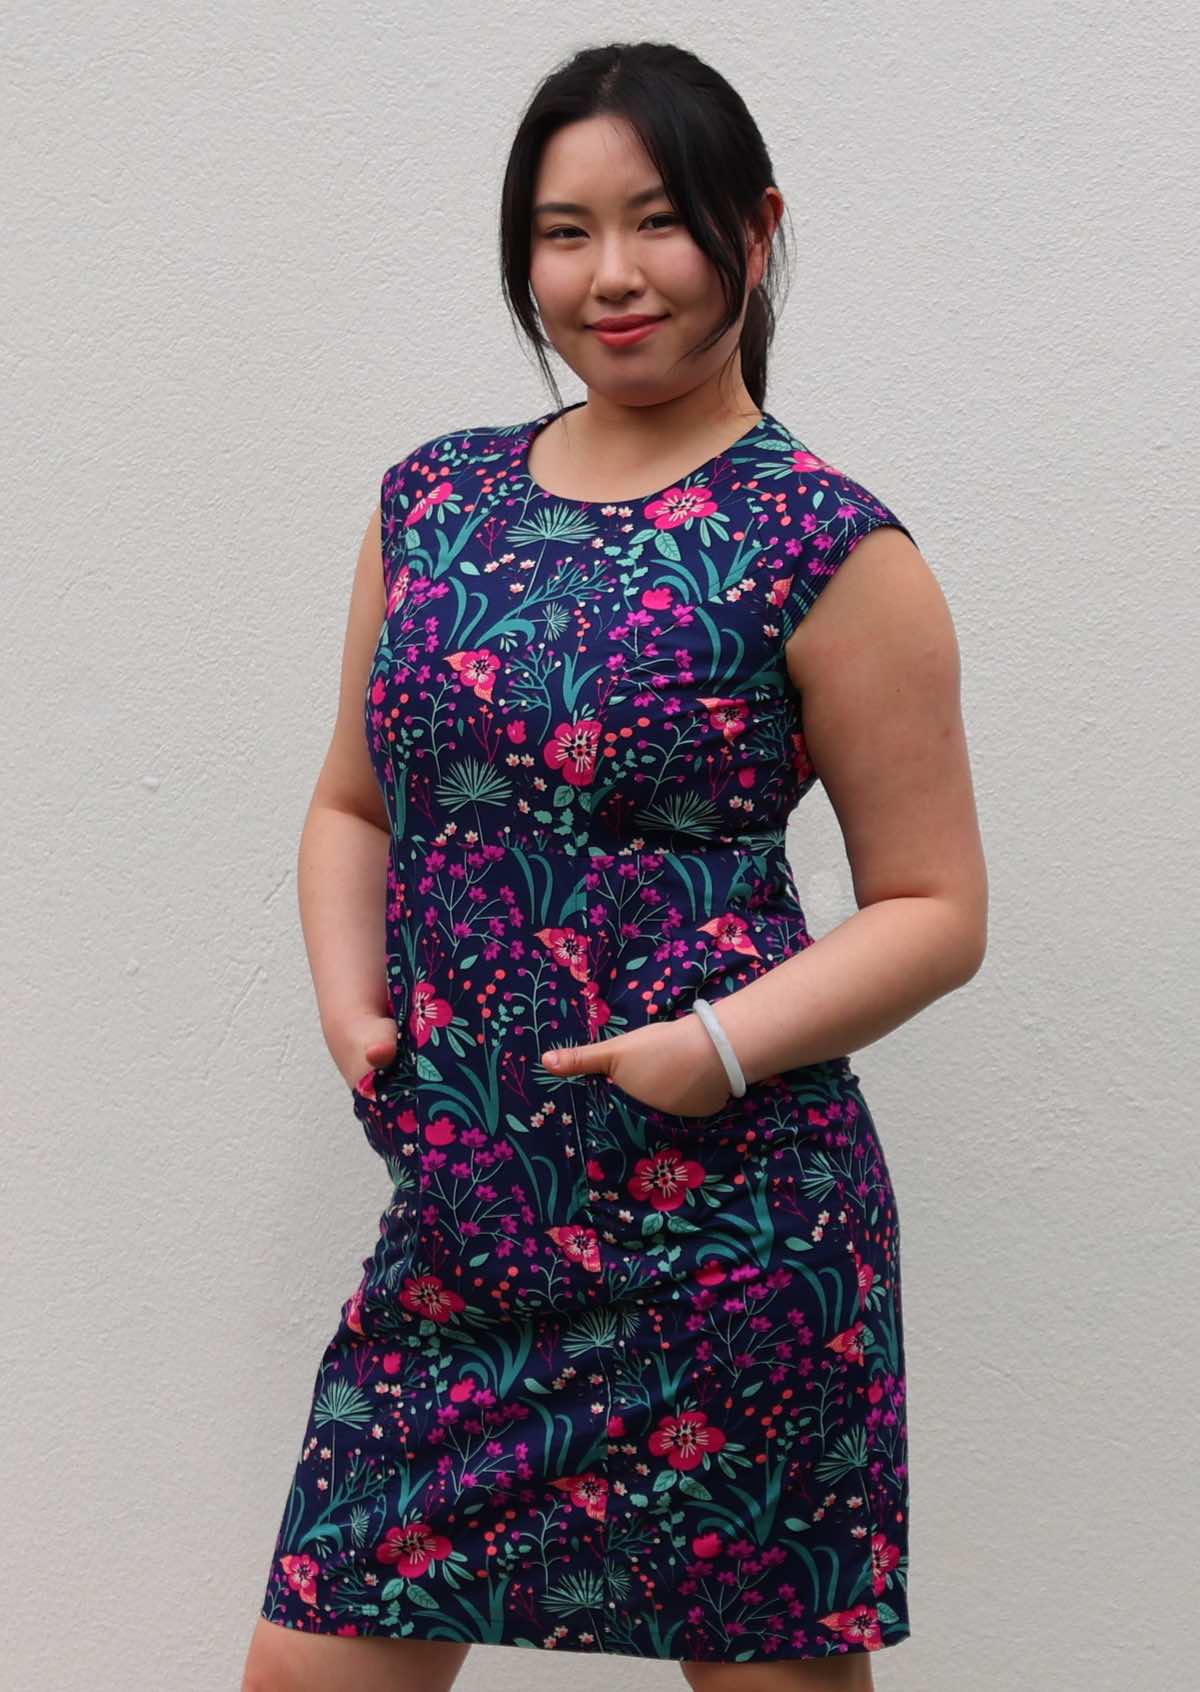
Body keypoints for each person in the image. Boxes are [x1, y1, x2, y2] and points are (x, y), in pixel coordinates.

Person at [242, 37, 987, 1692]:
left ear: (755, 228)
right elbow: (355, 805)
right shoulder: (430, 503)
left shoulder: (829, 546)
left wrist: (708, 1052)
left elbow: (939, 913)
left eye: (658, 222)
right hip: (464, 1230)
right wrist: (349, 1000)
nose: (612, 275)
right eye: (564, 230)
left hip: (728, 1244)